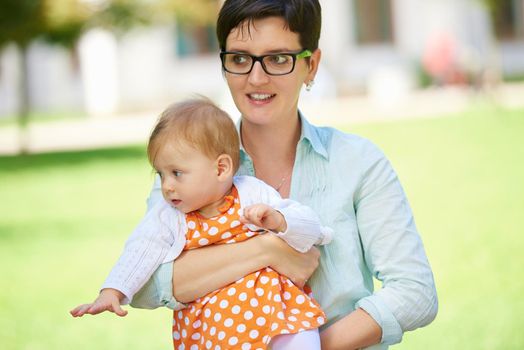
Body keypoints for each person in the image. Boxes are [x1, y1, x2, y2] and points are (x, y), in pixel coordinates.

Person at [132, 0, 439, 349]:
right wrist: (267, 251)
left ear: (311, 66)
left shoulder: (358, 162)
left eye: (278, 58)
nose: (256, 78)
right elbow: (145, 282)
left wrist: (310, 347)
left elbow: (415, 292)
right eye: (239, 58)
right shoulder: (185, 170)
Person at [70, 97, 333, 350]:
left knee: (300, 337)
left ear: (221, 169)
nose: (166, 186)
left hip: (275, 312)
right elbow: (140, 248)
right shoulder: (169, 216)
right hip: (214, 328)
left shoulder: (251, 194)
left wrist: (280, 220)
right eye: (160, 174)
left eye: (176, 173)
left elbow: (308, 225)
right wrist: (112, 291)